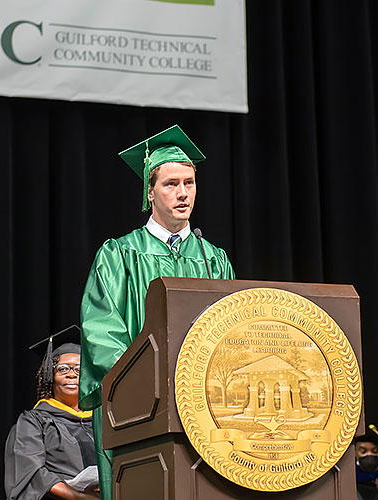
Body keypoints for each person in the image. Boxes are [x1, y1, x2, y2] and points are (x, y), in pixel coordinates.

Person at [79, 124, 235, 500]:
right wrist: (149, 384)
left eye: (189, 183)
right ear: (150, 192)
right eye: (170, 184)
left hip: (204, 408)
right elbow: (102, 332)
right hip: (139, 409)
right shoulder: (120, 255)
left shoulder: (213, 258)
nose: (182, 193)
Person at [5, 326, 99, 500]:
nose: (71, 375)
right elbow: (30, 473)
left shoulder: (102, 420)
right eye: (63, 369)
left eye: (79, 370)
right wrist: (80, 497)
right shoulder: (33, 422)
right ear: (50, 375)